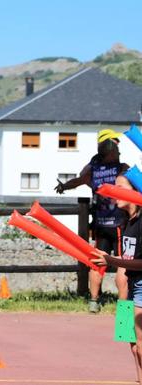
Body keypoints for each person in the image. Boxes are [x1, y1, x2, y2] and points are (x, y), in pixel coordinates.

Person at [54, 129, 129, 313]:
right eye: (116, 146)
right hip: (119, 223)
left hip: (100, 223)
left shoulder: (93, 169)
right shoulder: (122, 169)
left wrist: (64, 186)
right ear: (111, 147)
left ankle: (94, 301)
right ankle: (123, 307)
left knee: (97, 261)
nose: (119, 150)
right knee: (122, 263)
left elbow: (79, 179)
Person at [91, 174, 142, 384]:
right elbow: (129, 257)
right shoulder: (125, 221)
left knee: (141, 343)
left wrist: (112, 261)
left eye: (119, 187)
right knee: (131, 343)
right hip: (127, 286)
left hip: (140, 285)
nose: (113, 192)